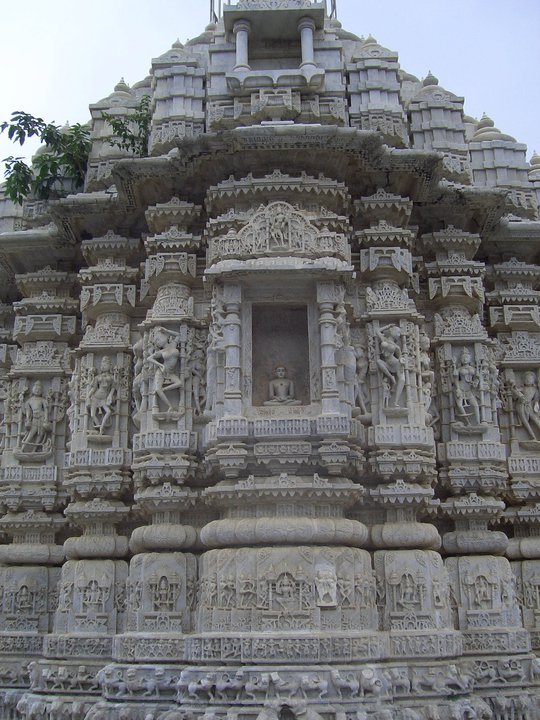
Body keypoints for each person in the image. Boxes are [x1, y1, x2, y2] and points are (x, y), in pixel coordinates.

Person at [86, 356, 116, 434]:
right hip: (95, 397)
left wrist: (110, 396)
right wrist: (88, 396)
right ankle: (99, 427)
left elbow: (113, 388)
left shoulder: (112, 377)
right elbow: (94, 388)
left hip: (104, 399)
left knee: (108, 412)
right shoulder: (97, 377)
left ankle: (102, 427)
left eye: (106, 364)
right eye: (102, 363)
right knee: (92, 415)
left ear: (110, 365)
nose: (103, 365)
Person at [21, 380, 51, 453]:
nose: (37, 391)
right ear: (33, 390)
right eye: (36, 389)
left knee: (40, 435)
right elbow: (28, 412)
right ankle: (23, 448)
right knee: (31, 434)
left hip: (42, 418)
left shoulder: (43, 400)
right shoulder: (29, 401)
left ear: (41, 391)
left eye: (39, 389)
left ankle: (34, 450)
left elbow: (46, 410)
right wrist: (28, 420)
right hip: (34, 419)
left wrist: (46, 419)